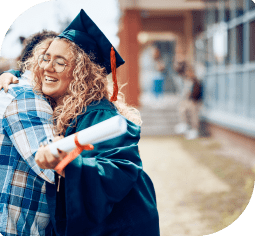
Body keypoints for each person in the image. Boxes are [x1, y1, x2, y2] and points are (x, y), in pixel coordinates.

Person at [1, 9, 160, 236]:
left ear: (81, 73)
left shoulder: (100, 115)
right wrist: (10, 74)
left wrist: (69, 164)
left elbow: (120, 169)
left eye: (60, 62)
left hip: (119, 227)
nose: (47, 67)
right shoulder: (61, 109)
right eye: (45, 58)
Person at [0, 38, 57, 235]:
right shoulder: (29, 98)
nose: (53, 67)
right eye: (46, 58)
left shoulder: (14, 90)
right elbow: (52, 169)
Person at [174, 60, 203, 140]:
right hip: (190, 102)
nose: (188, 74)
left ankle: (195, 130)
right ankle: (184, 125)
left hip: (196, 102)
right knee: (182, 107)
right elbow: (186, 94)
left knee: (193, 110)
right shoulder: (187, 81)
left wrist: (191, 100)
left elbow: (196, 95)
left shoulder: (196, 82)